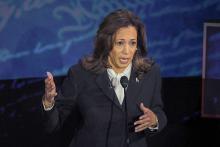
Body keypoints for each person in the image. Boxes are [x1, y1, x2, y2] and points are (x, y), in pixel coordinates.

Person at [42, 9, 167, 147]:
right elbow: (54, 124)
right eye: (120, 43)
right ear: (106, 43)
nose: (127, 51)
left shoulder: (149, 73)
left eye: (132, 43)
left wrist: (154, 120)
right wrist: (48, 103)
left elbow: (158, 111)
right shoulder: (81, 74)